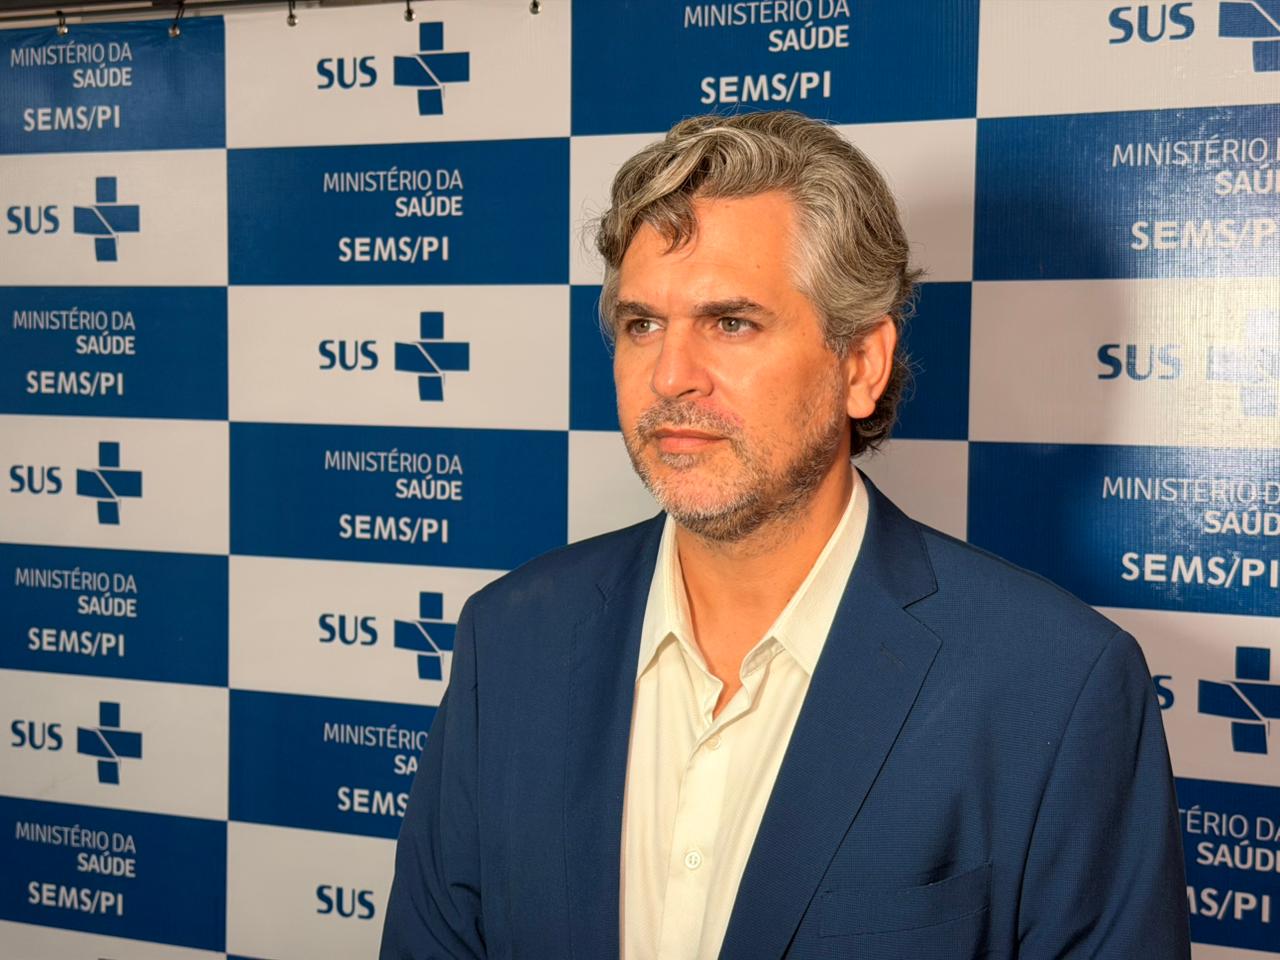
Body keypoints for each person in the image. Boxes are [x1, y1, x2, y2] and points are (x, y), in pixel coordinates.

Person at [380, 111, 1190, 960]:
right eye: (642, 324)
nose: (670, 377)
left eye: (731, 323)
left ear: (861, 365)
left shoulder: (1055, 686)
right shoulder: (510, 640)